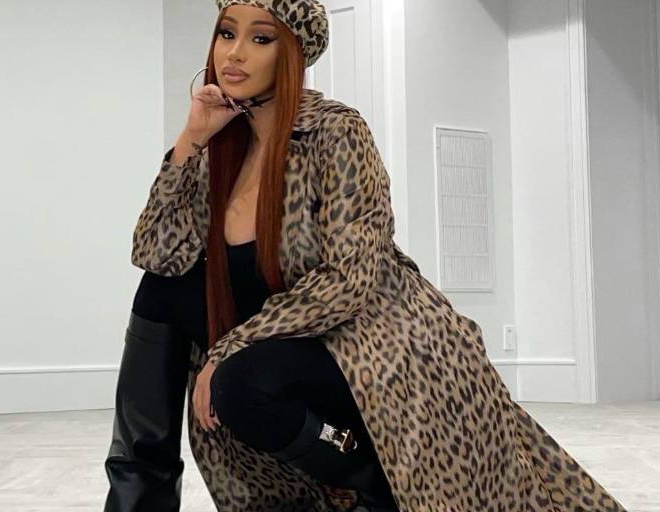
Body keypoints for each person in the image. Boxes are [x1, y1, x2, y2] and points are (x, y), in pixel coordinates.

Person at [104, 1, 630, 511]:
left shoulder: (336, 131)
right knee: (161, 290)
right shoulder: (220, 147)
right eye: (227, 33)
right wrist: (190, 140)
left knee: (239, 384)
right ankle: (137, 498)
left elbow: (348, 279)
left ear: (292, 53)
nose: (235, 52)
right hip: (285, 337)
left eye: (260, 38)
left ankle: (371, 485)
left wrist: (229, 348)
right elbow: (155, 253)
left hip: (368, 342)